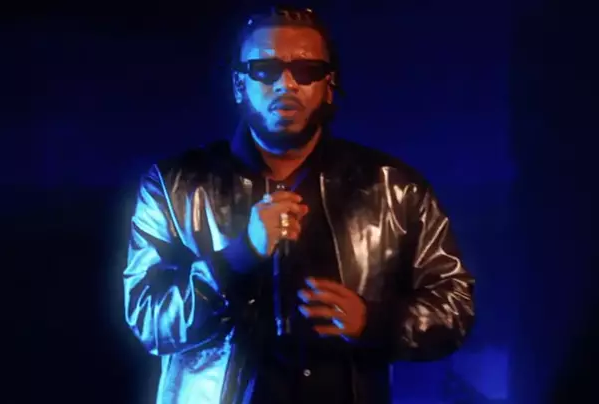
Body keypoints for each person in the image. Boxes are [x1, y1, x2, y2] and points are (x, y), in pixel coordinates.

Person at [123, 6, 475, 404]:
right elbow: (149, 321)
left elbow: (455, 307)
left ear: (329, 84)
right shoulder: (174, 186)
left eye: (306, 70)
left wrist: (373, 321)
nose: (285, 83)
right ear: (239, 83)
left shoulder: (392, 186)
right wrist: (238, 256)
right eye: (264, 69)